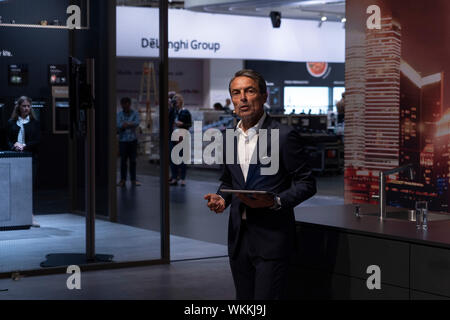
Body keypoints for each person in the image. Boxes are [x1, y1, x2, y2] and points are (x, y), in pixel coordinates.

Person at [204, 69, 316, 300]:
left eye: (249, 91)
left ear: (264, 96)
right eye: (236, 93)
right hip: (238, 240)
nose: (242, 98)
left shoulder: (283, 136)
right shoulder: (227, 137)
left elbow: (307, 182)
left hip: (272, 238)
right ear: (232, 100)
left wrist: (276, 201)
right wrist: (221, 199)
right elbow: (228, 181)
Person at [7, 96, 41, 227]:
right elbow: (6, 139)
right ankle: (16, 216)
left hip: (30, 159)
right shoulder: (11, 122)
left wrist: (25, 146)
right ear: (18, 107)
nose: (26, 108)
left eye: (28, 106)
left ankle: (30, 216)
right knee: (15, 188)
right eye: (24, 106)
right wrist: (14, 145)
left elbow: (38, 140)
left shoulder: (35, 123)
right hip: (14, 159)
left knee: (28, 188)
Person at [117, 97, 141, 187]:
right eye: (123, 105)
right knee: (123, 161)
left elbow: (137, 122)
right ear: (121, 105)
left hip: (133, 140)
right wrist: (130, 124)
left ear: (129, 104)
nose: (125, 107)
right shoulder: (119, 114)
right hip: (123, 141)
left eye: (127, 105)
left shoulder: (135, 113)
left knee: (133, 161)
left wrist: (126, 124)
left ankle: (133, 179)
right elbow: (118, 124)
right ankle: (122, 180)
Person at [169, 94, 192, 187]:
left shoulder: (185, 111)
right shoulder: (172, 112)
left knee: (182, 159)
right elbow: (168, 121)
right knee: (173, 159)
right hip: (173, 137)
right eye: (174, 101)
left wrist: (182, 124)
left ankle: (182, 179)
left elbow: (189, 124)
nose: (176, 103)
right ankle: (174, 178)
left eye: (177, 101)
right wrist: (171, 108)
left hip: (182, 137)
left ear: (181, 101)